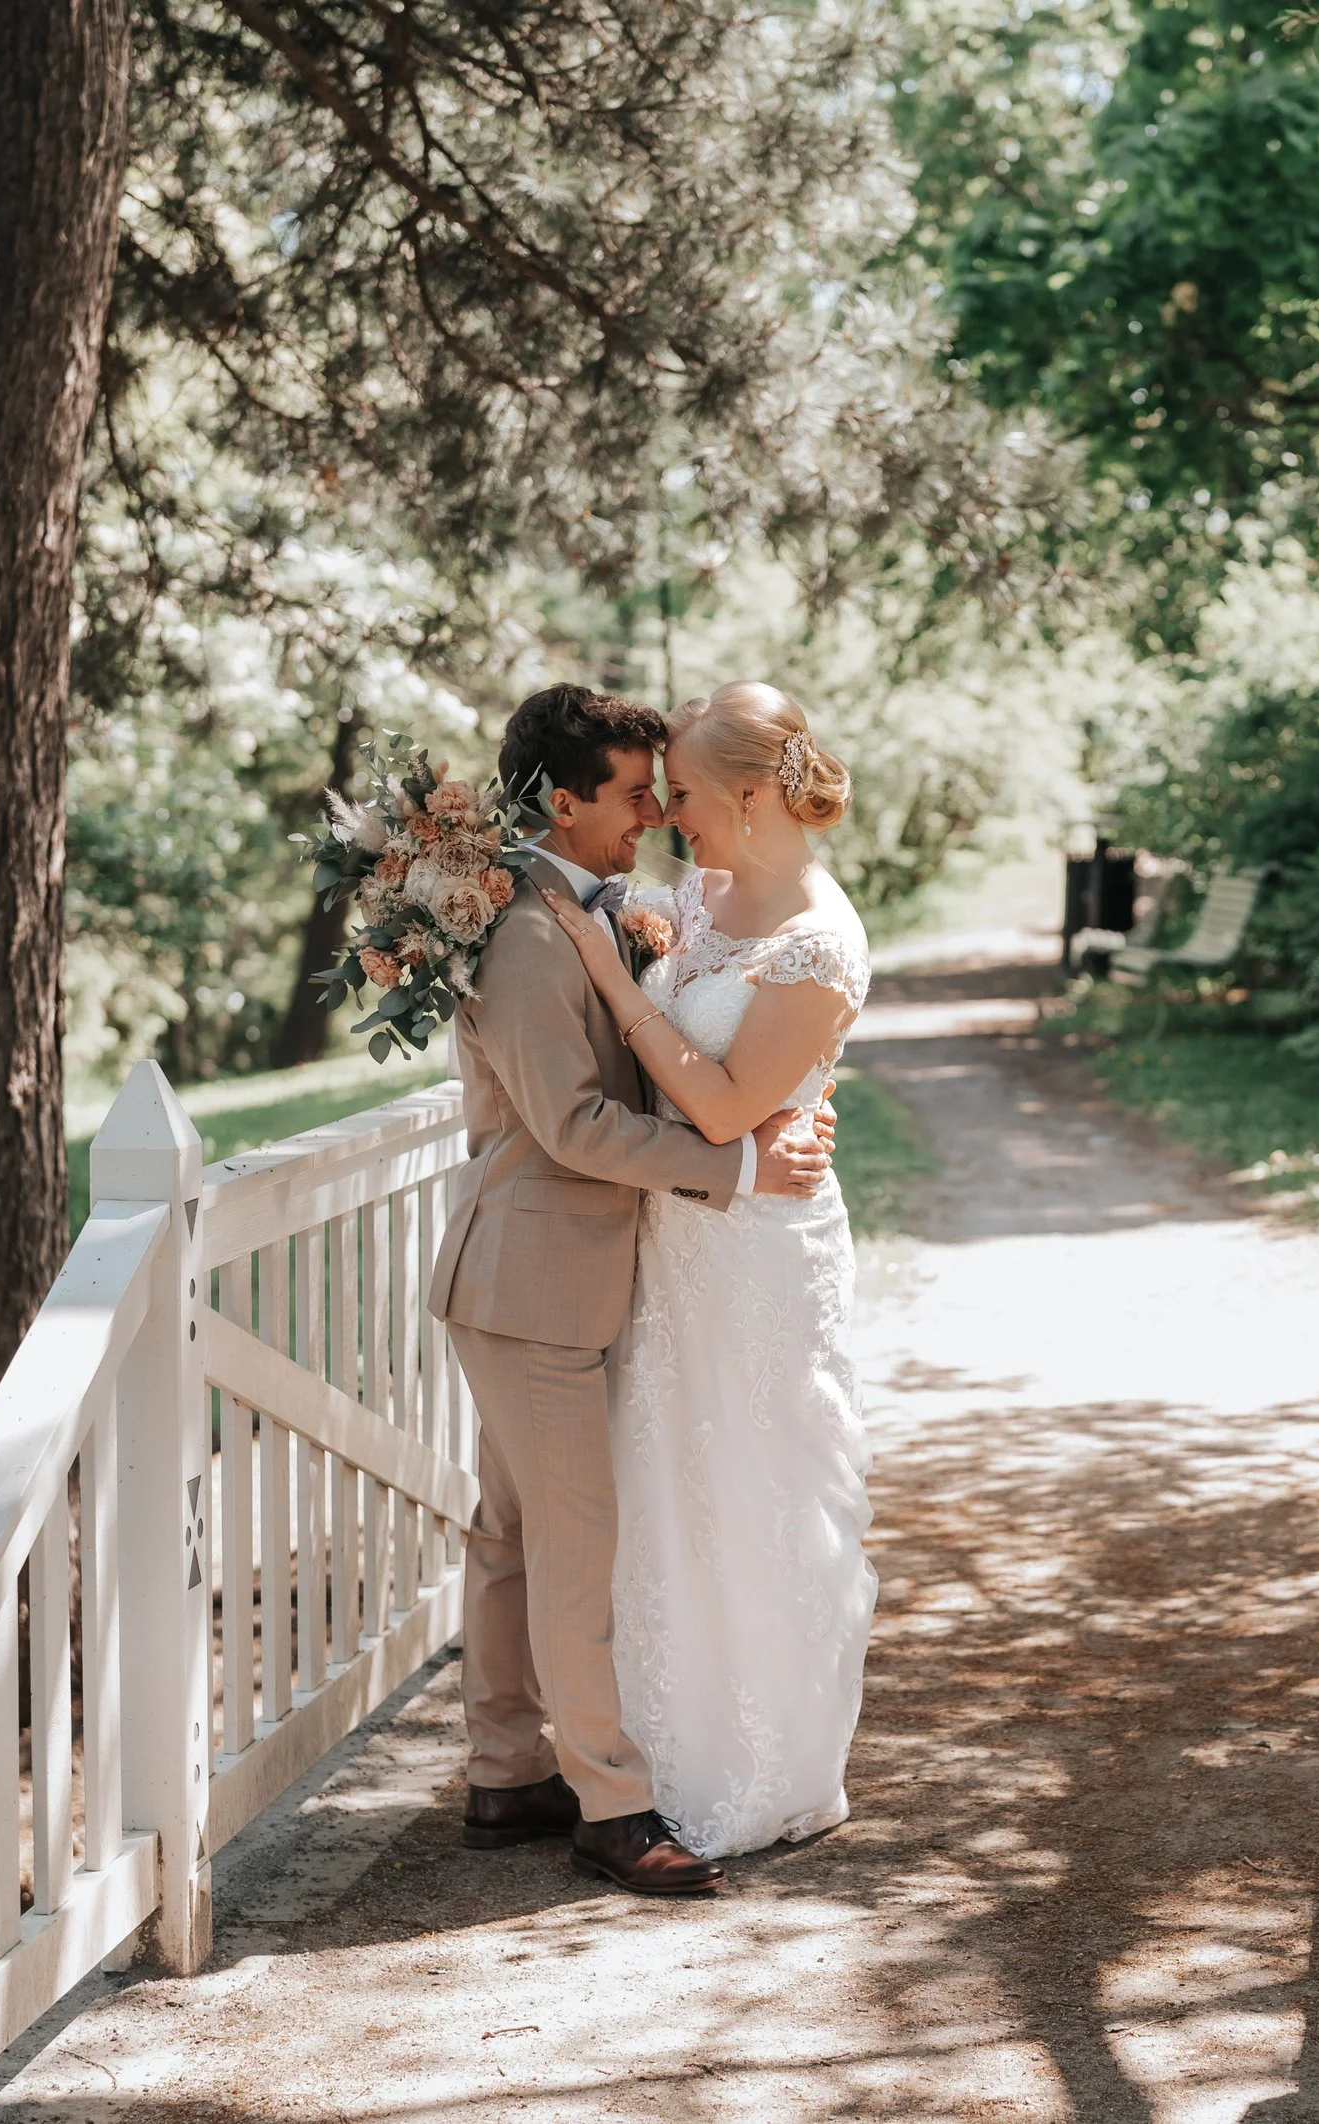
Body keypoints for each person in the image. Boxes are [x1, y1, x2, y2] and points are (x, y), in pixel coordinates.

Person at [426, 683, 834, 1896]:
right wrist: (738, 1164)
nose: (654, 812)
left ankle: (506, 1776)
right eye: (631, 792)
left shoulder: (581, 912)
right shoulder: (525, 935)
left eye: (664, 790)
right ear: (563, 800)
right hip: (534, 1282)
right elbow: (569, 1125)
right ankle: (610, 1802)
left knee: (509, 1538)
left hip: (535, 1280)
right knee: (573, 1548)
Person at [541, 679, 877, 1859]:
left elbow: (732, 1105)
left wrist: (616, 981)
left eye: (680, 793)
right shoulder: (700, 893)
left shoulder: (821, 940)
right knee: (664, 1483)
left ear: (747, 793)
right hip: (676, 1237)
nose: (669, 814)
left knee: (757, 1481)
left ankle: (762, 1768)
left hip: (760, 1248)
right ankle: (655, 1750)